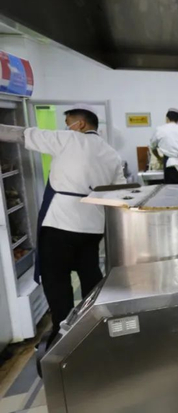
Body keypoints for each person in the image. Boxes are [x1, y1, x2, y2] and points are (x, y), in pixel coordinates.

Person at [0, 105, 125, 343]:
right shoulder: (111, 153)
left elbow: (22, 134)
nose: (65, 127)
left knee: (56, 279)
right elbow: (119, 193)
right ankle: (93, 327)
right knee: (90, 274)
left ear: (80, 124)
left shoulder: (67, 139)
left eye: (68, 123)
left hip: (60, 224)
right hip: (92, 226)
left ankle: (63, 333)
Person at [150, 108, 178, 184]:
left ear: (167, 119)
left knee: (171, 189)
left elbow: (153, 147)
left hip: (170, 165)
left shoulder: (160, 130)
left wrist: (159, 157)